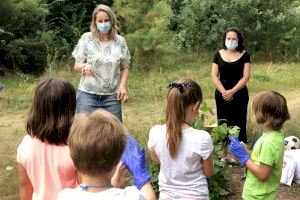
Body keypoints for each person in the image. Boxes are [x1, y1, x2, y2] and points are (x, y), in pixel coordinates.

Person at [57, 109, 156, 200]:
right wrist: (142, 180)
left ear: (73, 156)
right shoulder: (132, 196)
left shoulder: (65, 196)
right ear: (118, 159)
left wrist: (113, 186)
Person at [148, 79, 214, 200]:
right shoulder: (202, 138)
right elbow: (208, 172)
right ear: (195, 106)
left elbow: (157, 160)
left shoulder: (155, 132)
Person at [17, 78, 78, 200]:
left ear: (36, 107)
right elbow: (86, 190)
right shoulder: (78, 147)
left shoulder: (25, 145)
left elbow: (24, 185)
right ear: (71, 107)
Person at [72, 4, 131, 122]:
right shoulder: (86, 38)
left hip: (112, 96)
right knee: (84, 132)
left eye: (106, 20)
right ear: (95, 22)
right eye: (100, 21)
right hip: (87, 94)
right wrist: (84, 66)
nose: (104, 24)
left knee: (114, 133)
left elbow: (124, 67)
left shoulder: (120, 41)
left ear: (112, 21)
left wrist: (122, 86)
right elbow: (76, 66)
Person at [230, 91, 290, 200]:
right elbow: (263, 159)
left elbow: (262, 174)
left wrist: (244, 158)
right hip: (260, 194)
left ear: (265, 115)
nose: (253, 114)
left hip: (258, 196)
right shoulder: (273, 135)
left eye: (255, 111)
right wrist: (245, 151)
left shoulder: (269, 142)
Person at [211, 27, 251, 143]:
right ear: (224, 39)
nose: (231, 41)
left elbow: (246, 77)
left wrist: (232, 91)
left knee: (239, 122)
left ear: (239, 40)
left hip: (239, 93)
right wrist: (224, 92)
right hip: (221, 93)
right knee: (223, 122)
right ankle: (224, 153)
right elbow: (214, 75)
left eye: (234, 39)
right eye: (228, 38)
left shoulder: (245, 55)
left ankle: (240, 152)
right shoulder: (218, 54)